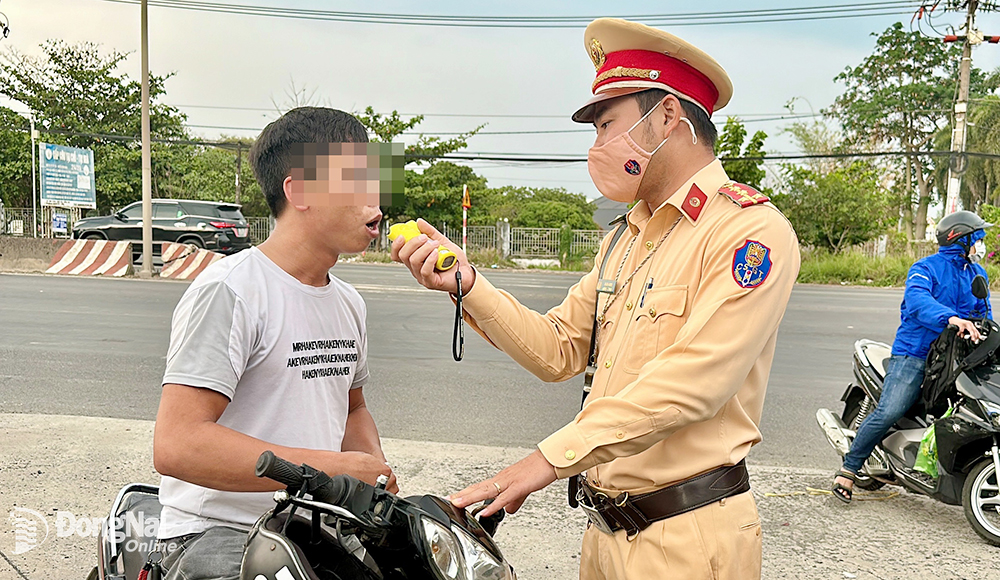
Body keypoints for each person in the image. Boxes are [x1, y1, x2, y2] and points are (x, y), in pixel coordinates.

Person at [391, 18, 799, 580]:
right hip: (605, 532)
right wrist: (470, 285)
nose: (597, 146)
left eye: (607, 125)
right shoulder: (624, 239)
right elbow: (558, 348)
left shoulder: (747, 233)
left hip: (688, 535)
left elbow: (694, 383)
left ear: (668, 118)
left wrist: (546, 461)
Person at [152, 107, 397, 580]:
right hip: (217, 531)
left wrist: (375, 474)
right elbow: (177, 444)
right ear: (299, 190)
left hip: (311, 530)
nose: (376, 200)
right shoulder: (231, 291)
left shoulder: (348, 303)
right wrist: (335, 471)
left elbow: (352, 409)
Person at [833, 210, 992, 503]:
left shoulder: (977, 274)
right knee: (890, 411)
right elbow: (919, 303)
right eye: (978, 238)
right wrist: (952, 319)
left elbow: (985, 314)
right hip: (915, 354)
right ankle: (849, 469)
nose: (982, 245)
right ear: (960, 239)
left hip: (955, 360)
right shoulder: (924, 268)